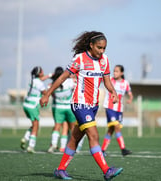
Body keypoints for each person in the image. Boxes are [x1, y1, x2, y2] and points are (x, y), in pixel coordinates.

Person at [40, 31, 123, 180]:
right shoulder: (79, 59)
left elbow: (107, 81)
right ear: (91, 45)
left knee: (75, 138)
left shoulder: (104, 60)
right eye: (99, 48)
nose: (102, 51)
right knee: (93, 135)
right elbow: (62, 78)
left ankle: (60, 169)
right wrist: (47, 93)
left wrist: (113, 92)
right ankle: (107, 170)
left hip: (93, 106)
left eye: (104, 48)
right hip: (79, 104)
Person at [101, 65, 133, 156]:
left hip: (119, 110)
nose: (115, 73)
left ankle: (102, 150)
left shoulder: (125, 83)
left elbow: (130, 93)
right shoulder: (110, 80)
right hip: (110, 107)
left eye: (117, 71)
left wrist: (130, 99)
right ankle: (123, 149)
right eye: (114, 71)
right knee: (116, 127)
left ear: (121, 73)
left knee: (111, 130)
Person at [20, 66, 51, 153]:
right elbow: (45, 93)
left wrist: (50, 75)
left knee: (34, 124)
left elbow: (42, 79)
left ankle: (25, 138)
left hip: (26, 104)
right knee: (36, 126)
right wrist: (51, 88)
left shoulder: (32, 80)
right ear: (40, 73)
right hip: (33, 106)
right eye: (42, 71)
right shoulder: (40, 83)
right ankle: (31, 146)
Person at [47, 67, 76, 153]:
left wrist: (51, 75)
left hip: (58, 108)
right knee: (72, 128)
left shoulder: (52, 84)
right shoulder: (70, 82)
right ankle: (70, 147)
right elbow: (75, 82)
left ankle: (53, 144)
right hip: (69, 108)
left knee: (57, 127)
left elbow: (51, 93)